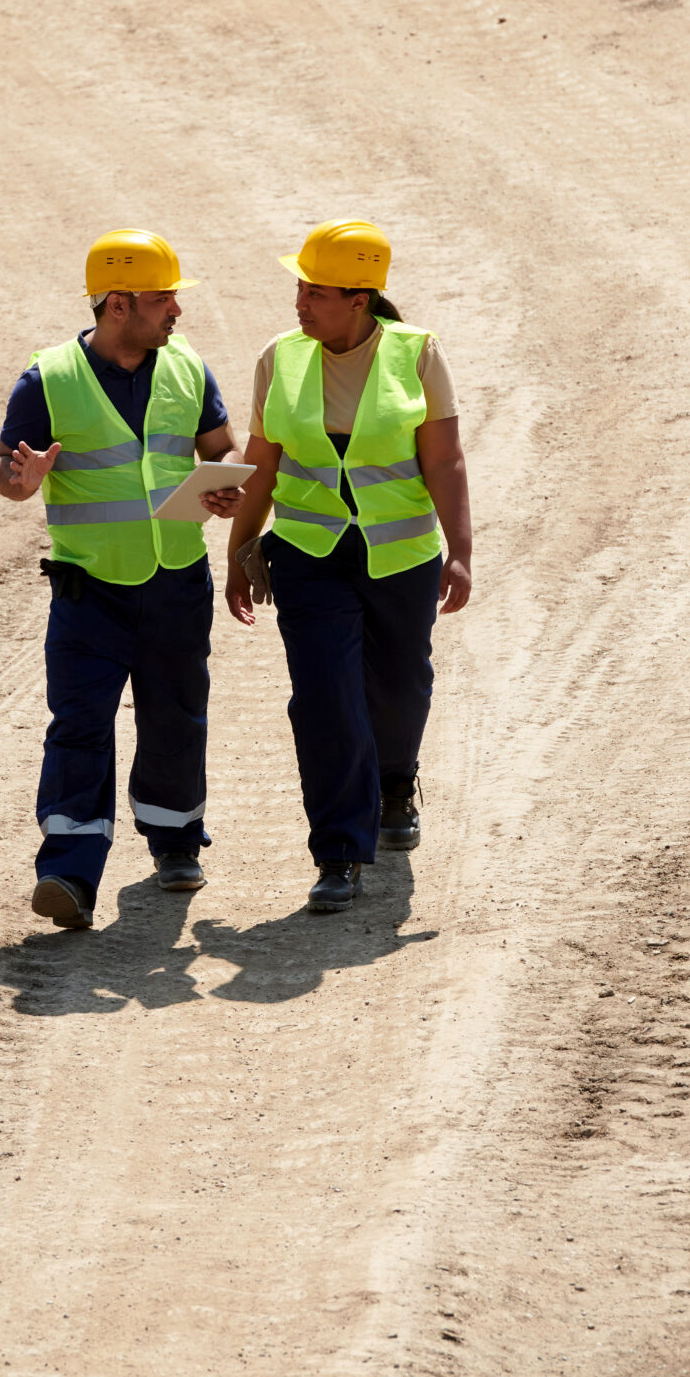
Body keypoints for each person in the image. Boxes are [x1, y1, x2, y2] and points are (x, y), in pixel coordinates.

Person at [0, 229, 245, 930]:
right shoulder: (48, 379)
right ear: (119, 304)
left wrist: (228, 488)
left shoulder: (188, 369)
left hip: (175, 585)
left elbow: (222, 449)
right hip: (89, 591)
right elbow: (2, 471)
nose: (176, 311)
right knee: (79, 727)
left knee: (175, 718)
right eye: (164, 299)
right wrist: (22, 479)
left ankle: (175, 840)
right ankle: (69, 873)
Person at [221, 219, 473, 913]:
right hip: (308, 556)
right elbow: (263, 462)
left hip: (401, 558)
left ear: (359, 299)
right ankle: (337, 851)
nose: (300, 303)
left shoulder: (417, 355)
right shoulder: (281, 357)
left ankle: (396, 781)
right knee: (325, 698)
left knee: (399, 688)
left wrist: (462, 553)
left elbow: (444, 459)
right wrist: (241, 549)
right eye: (300, 287)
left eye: (317, 292)